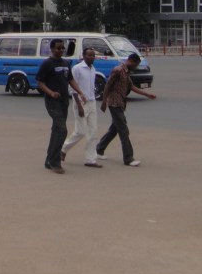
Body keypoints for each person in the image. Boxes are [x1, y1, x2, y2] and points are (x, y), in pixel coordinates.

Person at [97, 52, 157, 166]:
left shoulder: (126, 72)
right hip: (114, 103)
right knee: (124, 130)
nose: (135, 67)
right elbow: (108, 85)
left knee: (114, 129)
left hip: (121, 103)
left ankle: (99, 149)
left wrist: (147, 94)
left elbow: (131, 86)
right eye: (136, 65)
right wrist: (104, 101)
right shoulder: (118, 70)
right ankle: (128, 158)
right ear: (131, 61)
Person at [36, 38, 87, 174]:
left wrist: (80, 92)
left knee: (56, 130)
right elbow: (40, 82)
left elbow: (70, 80)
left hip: (64, 101)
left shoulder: (65, 63)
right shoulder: (47, 63)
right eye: (58, 48)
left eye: (62, 48)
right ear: (52, 49)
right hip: (52, 102)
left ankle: (49, 160)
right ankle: (55, 162)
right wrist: (51, 93)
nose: (60, 50)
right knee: (62, 130)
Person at [61, 47, 101, 168]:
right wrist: (79, 105)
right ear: (83, 56)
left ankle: (90, 159)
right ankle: (63, 149)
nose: (91, 57)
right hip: (80, 103)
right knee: (81, 131)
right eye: (89, 55)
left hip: (92, 102)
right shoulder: (77, 68)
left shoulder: (93, 69)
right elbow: (72, 88)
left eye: (93, 55)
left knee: (93, 131)